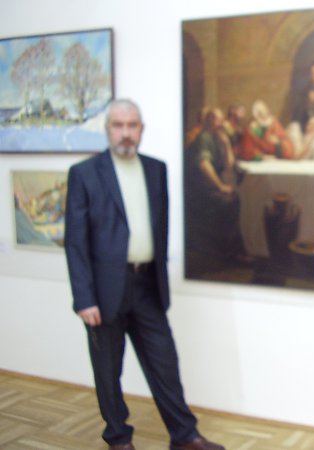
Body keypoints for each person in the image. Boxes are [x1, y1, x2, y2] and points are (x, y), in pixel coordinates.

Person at [64, 99, 226, 450]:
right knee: (109, 370)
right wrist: (84, 298)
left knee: (164, 362)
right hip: (104, 292)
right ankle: (119, 438)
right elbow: (75, 243)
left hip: (147, 285)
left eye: (132, 125)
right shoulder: (84, 174)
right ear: (108, 129)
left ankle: (184, 436)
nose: (125, 133)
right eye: (118, 125)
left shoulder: (156, 169)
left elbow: (160, 227)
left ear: (141, 129)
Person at [185, 107, 249, 263]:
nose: (222, 123)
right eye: (219, 120)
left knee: (233, 198)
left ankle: (232, 250)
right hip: (198, 187)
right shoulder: (204, 137)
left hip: (209, 185)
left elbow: (229, 165)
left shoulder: (217, 138)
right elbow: (204, 165)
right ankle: (230, 252)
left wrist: (226, 144)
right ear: (210, 121)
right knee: (229, 201)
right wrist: (220, 186)